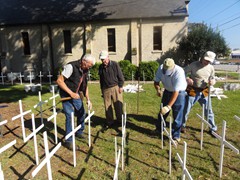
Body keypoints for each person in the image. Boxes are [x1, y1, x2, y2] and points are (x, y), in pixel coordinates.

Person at [56, 54, 95, 150]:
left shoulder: (85, 70)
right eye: (89, 65)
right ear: (84, 61)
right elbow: (59, 81)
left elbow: (85, 86)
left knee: (82, 112)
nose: (89, 68)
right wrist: (71, 93)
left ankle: (79, 132)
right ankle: (69, 141)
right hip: (66, 94)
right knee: (70, 115)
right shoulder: (71, 67)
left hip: (75, 94)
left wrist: (88, 99)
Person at [182, 51, 217, 134]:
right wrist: (187, 79)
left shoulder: (211, 68)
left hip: (204, 91)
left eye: (209, 61)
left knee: (209, 110)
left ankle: (213, 129)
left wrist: (212, 81)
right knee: (186, 109)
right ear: (203, 57)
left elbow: (213, 78)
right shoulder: (194, 65)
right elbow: (183, 72)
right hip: (193, 90)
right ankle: (182, 126)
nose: (207, 62)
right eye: (206, 60)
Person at [153, 58, 187, 143]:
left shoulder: (179, 72)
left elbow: (176, 92)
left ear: (173, 67)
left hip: (179, 93)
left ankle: (175, 135)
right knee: (162, 112)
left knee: (177, 114)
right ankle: (159, 129)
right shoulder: (161, 68)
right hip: (167, 90)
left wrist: (168, 106)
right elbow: (156, 82)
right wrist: (158, 89)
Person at [98, 50, 124, 128]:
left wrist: (120, 86)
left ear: (108, 57)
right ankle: (110, 122)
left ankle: (120, 121)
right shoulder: (101, 67)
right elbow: (101, 80)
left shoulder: (115, 64)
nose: (103, 61)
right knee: (107, 106)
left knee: (118, 105)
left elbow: (120, 76)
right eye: (102, 60)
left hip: (115, 87)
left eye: (104, 59)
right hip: (106, 89)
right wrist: (102, 90)